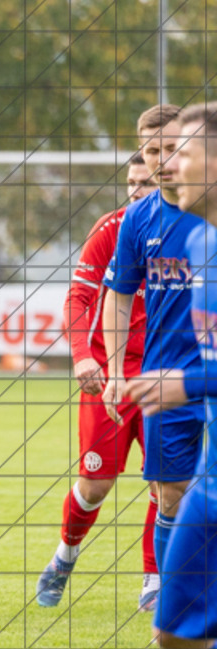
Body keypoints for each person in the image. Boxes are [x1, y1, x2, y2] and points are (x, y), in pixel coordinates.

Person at [35, 153, 160, 609]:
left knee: (167, 482)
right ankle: (64, 557)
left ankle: (154, 579)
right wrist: (83, 358)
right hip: (113, 374)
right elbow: (80, 296)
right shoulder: (114, 228)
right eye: (130, 181)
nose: (135, 190)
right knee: (96, 484)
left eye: (145, 182)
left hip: (165, 376)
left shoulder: (192, 231)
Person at [100, 104, 206, 608]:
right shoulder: (138, 220)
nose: (163, 160)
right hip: (165, 380)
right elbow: (119, 294)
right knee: (170, 496)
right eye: (152, 150)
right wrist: (117, 370)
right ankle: (176, 600)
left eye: (173, 149)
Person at [126, 102, 217, 649]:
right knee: (176, 631)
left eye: (182, 152)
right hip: (212, 478)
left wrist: (186, 381)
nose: (168, 167)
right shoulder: (202, 247)